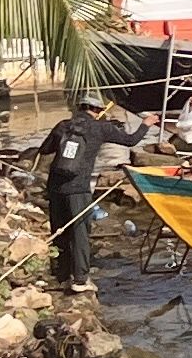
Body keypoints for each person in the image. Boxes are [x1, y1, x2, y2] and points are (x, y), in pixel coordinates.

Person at [43, 89, 150, 290]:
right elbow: (131, 140)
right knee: (80, 233)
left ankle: (62, 276)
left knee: (59, 231)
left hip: (55, 186)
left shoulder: (63, 125)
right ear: (99, 110)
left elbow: (45, 149)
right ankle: (80, 280)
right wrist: (146, 124)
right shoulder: (101, 128)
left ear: (79, 108)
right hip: (78, 187)